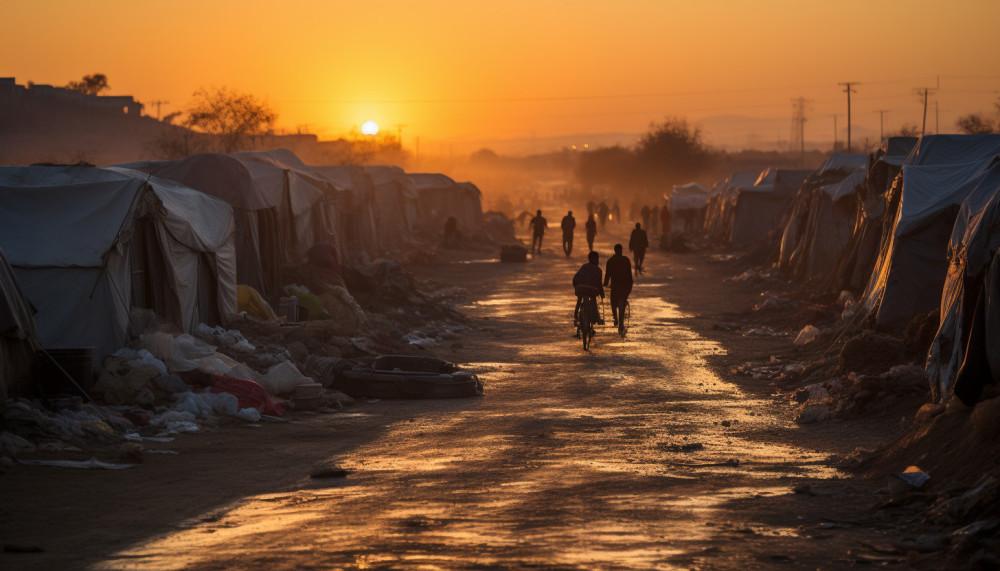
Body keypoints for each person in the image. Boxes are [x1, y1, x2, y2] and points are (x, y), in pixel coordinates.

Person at [572, 251, 604, 337]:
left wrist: (576, 286)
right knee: (593, 300)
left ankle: (576, 315)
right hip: (592, 289)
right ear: (596, 259)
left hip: (580, 287)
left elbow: (576, 278)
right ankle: (595, 318)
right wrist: (602, 294)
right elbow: (599, 285)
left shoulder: (584, 266)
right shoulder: (598, 270)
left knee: (580, 299)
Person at [603, 244, 633, 332]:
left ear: (614, 250)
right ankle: (621, 323)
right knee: (622, 302)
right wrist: (630, 285)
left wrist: (605, 283)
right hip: (625, 285)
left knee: (613, 302)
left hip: (615, 285)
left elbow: (607, 274)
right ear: (621, 250)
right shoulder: (626, 260)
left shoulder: (611, 261)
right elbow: (629, 274)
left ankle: (615, 318)